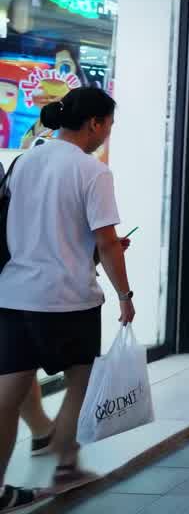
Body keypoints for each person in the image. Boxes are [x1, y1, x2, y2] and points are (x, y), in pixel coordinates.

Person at [0, 89, 134, 505]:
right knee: (81, 382)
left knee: (6, 396)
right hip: (67, 298)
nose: (107, 134)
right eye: (108, 126)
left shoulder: (24, 161)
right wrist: (125, 295)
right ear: (94, 123)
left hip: (14, 293)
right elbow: (108, 242)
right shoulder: (92, 171)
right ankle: (64, 460)